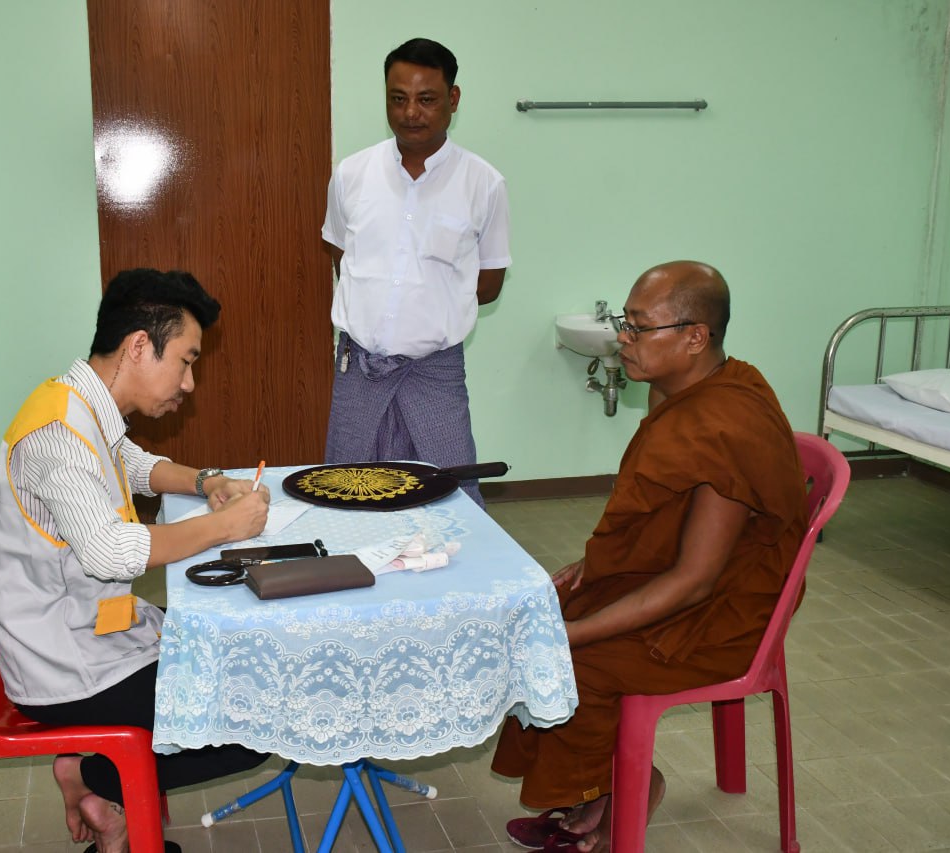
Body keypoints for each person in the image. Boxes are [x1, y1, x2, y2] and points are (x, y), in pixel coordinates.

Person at [491, 261, 808, 852]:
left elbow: (693, 582)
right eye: (624, 322)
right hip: (689, 578)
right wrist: (595, 570)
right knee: (542, 609)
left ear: (695, 337)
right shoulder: (684, 389)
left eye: (639, 327)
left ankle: (623, 790)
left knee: (570, 659)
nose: (623, 338)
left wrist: (573, 635)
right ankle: (603, 785)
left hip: (722, 614)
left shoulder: (725, 423)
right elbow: (661, 515)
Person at [0, 268, 272, 853]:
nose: (189, 383)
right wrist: (224, 527)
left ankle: (102, 784)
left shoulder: (81, 403)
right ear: (139, 345)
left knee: (224, 647)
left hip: (90, 628)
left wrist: (207, 481)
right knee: (254, 719)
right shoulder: (59, 434)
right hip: (62, 663)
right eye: (185, 361)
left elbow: (132, 464)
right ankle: (96, 775)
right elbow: (111, 550)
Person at [321, 37, 510, 507]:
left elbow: (488, 284)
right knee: (347, 491)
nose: (411, 113)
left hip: (436, 371)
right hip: (359, 368)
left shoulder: (483, 183)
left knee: (451, 496)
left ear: (453, 99)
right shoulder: (352, 174)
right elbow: (340, 253)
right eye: (398, 98)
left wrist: (426, 310)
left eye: (426, 99)